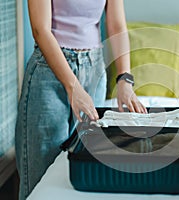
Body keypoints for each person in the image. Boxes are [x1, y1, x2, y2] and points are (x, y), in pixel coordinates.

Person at [15, 0, 147, 199]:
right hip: (50, 73)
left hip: (94, 70)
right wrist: (73, 87)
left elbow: (117, 24)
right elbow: (40, 29)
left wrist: (124, 79)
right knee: (41, 179)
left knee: (83, 173)